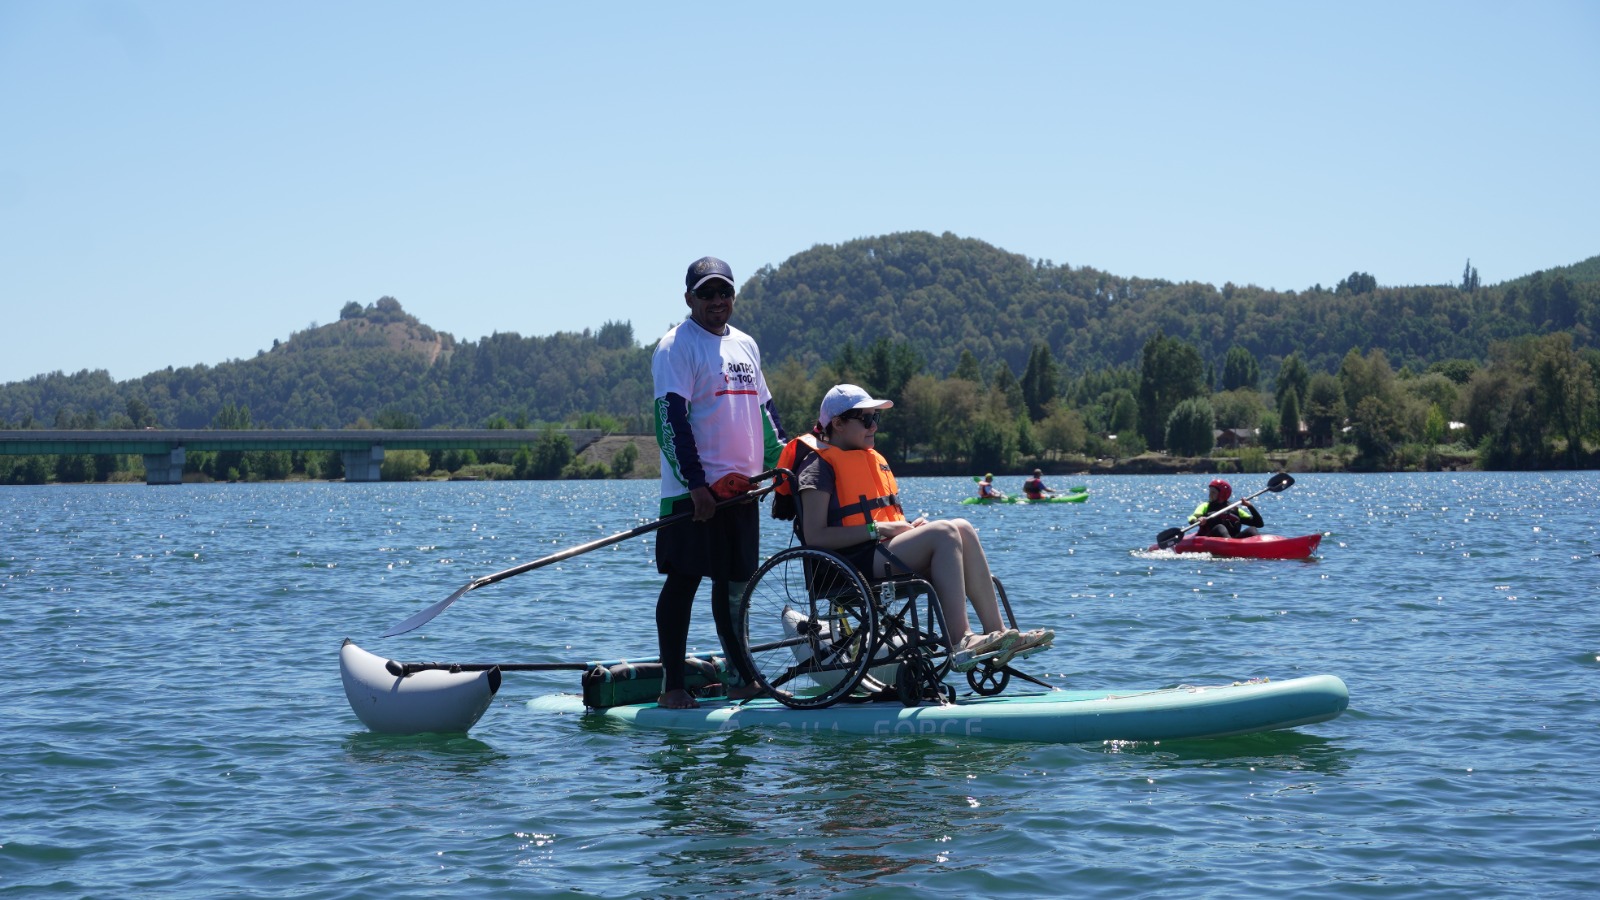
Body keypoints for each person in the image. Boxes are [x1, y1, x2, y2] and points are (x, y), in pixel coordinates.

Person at [790, 384, 1053, 671]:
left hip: (876, 552)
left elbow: (873, 519)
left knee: (961, 527)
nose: (874, 426)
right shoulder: (817, 467)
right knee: (944, 533)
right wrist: (879, 530)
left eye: (877, 418)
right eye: (866, 419)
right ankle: (961, 640)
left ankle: (1001, 636)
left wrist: (903, 528)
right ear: (838, 424)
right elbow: (815, 536)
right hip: (845, 566)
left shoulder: (865, 458)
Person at [651, 256, 786, 709]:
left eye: (723, 292)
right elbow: (669, 420)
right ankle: (672, 687)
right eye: (706, 293)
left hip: (741, 491)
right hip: (695, 496)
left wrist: (782, 469)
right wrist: (696, 485)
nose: (716, 301)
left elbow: (767, 415)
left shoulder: (746, 345)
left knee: (736, 586)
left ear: (733, 296)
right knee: (684, 583)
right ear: (688, 298)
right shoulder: (675, 347)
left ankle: (743, 678)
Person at [1189, 478, 1264, 538]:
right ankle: (1230, 546)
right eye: (1210, 492)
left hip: (1233, 540)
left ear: (1222, 494)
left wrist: (1250, 506)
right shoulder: (1205, 506)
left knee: (1252, 529)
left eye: (1213, 492)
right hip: (1210, 538)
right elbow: (1191, 518)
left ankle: (1262, 547)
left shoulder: (1234, 509)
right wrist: (1197, 520)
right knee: (1220, 527)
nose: (1210, 495)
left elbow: (1259, 523)